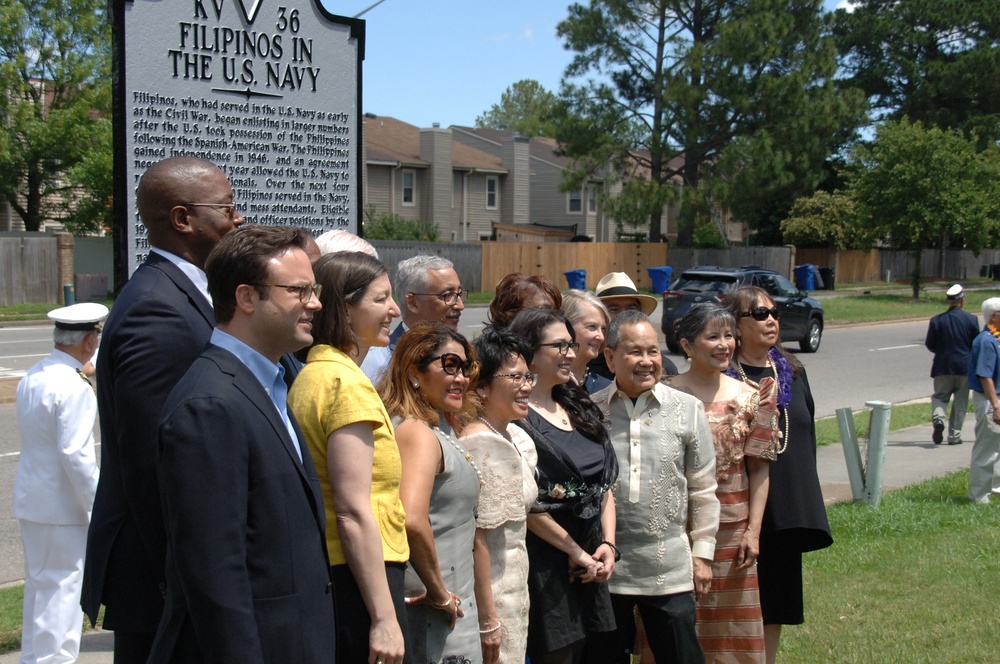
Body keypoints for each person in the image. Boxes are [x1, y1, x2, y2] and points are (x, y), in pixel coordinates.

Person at [149, 225, 335, 662]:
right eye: (299, 290)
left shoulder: (270, 381)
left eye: (315, 288)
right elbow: (215, 576)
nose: (316, 303)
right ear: (247, 297)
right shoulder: (210, 405)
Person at [83, 156, 244, 662]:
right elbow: (154, 462)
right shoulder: (158, 311)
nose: (238, 218)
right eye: (227, 208)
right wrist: (189, 580)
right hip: (160, 578)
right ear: (182, 220)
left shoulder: (187, 294)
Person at [288, 251, 409, 664]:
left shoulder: (314, 374)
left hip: (339, 571)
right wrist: (384, 617)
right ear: (344, 308)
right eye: (381, 299)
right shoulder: (345, 384)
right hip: (361, 575)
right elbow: (353, 510)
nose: (394, 309)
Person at [590, 310, 720, 664]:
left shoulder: (687, 409)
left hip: (670, 567)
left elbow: (704, 487)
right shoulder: (590, 412)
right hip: (605, 569)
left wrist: (703, 554)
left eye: (654, 351)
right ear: (610, 357)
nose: (647, 361)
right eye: (635, 352)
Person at [722, 287, 832, 664]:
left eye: (773, 312)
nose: (771, 319)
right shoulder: (723, 377)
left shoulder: (793, 373)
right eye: (759, 313)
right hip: (736, 506)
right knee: (732, 599)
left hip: (784, 508)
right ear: (735, 326)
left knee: (776, 603)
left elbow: (807, 437)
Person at [668, 303, 779, 664]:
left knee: (732, 632)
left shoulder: (752, 395)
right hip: (674, 530)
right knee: (676, 625)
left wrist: (753, 532)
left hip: (733, 533)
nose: (724, 344)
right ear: (687, 346)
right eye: (712, 336)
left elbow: (759, 468)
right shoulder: (663, 395)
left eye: (729, 335)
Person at [507, 308, 619, 664]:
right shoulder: (514, 418)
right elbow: (525, 504)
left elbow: (602, 486)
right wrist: (575, 552)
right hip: (545, 563)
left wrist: (608, 545)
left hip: (591, 556)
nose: (571, 353)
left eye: (571, 344)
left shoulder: (577, 405)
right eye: (559, 345)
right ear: (528, 352)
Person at [378, 322, 483, 664]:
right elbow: (411, 518)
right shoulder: (417, 434)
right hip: (437, 610)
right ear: (413, 373)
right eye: (449, 365)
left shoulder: (431, 427)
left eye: (466, 367)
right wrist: (439, 594)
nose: (461, 378)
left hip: (451, 599)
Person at [14, 303, 107, 664]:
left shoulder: (35, 374)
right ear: (88, 341)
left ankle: (35, 658)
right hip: (63, 509)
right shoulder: (73, 386)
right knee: (62, 593)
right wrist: (96, 504)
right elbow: (76, 455)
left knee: (40, 589)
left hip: (34, 502)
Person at [461, 326, 539, 663]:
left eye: (529, 377)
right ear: (482, 386)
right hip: (493, 595)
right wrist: (488, 621)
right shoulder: (482, 445)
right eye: (516, 378)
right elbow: (478, 540)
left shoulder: (512, 435)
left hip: (515, 588)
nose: (527, 387)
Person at [362, 255, 466, 382]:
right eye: (447, 296)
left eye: (459, 294)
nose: (460, 306)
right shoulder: (381, 364)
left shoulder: (465, 357)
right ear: (413, 302)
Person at [591, 271, 677, 379]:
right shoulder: (584, 367)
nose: (623, 314)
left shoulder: (662, 368)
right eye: (614, 309)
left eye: (631, 308)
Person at [925, 284, 979, 445]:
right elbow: (975, 344)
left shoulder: (936, 320)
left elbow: (930, 344)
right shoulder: (971, 319)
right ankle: (954, 436)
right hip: (964, 367)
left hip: (942, 366)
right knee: (960, 401)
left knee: (940, 397)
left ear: (948, 301)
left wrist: (941, 352)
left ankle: (938, 419)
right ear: (962, 300)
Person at [967, 297, 1000, 503]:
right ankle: (979, 495)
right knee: (986, 448)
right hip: (990, 399)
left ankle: (994, 487)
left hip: (996, 398)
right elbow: (984, 375)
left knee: (996, 447)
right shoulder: (986, 340)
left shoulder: (996, 338)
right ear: (994, 315)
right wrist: (996, 406)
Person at [561, 289, 613, 393]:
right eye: (592, 327)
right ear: (566, 326)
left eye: (603, 329)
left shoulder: (607, 389)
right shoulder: (540, 385)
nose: (601, 337)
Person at [487, 273, 562, 328]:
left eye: (556, 311)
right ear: (510, 314)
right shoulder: (488, 349)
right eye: (543, 309)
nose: (554, 318)